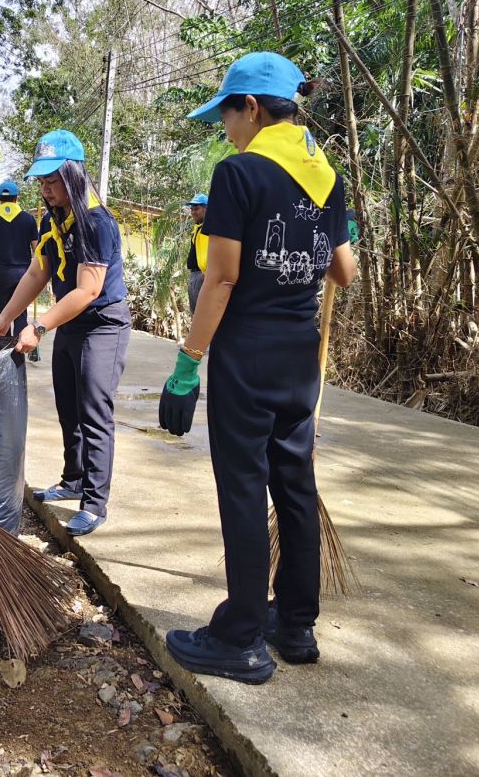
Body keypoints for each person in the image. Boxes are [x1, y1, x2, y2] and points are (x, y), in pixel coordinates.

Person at [157, 52, 357, 684]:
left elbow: (221, 279)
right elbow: (344, 272)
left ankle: (239, 636)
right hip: (301, 354)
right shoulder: (324, 174)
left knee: (243, 485)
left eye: (227, 115)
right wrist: (327, 232)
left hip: (247, 353)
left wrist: (187, 363)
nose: (225, 130)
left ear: (251, 107)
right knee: (294, 484)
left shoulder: (238, 173)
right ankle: (295, 624)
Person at [0, 130, 130, 537]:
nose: (46, 190)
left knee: (94, 410)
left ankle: (95, 503)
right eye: (42, 182)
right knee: (69, 405)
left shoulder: (96, 222)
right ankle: (73, 479)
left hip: (102, 324)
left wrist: (39, 325)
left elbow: (88, 290)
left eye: (53, 181)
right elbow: (38, 272)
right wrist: (6, 317)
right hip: (71, 322)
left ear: (74, 175)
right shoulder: (53, 219)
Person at [0, 181, 39, 336]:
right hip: (23, 273)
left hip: (0, 273)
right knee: (20, 313)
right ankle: (19, 348)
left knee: (1, 315)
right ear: (16, 197)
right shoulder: (28, 219)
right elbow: (37, 249)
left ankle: (3, 348)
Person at [184, 193, 209, 314]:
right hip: (195, 275)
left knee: (202, 313)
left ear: (206, 208)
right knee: (195, 313)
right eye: (192, 209)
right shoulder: (198, 228)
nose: (193, 212)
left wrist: (207, 274)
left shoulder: (209, 229)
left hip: (203, 275)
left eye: (197, 209)